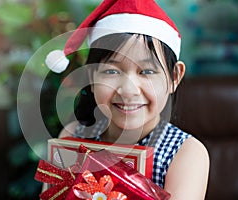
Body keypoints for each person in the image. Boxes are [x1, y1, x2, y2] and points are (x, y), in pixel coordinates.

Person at [44, 0, 209, 199]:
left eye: (147, 71)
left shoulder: (185, 153)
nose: (129, 90)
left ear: (174, 77)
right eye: (111, 71)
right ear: (91, 77)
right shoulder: (71, 137)